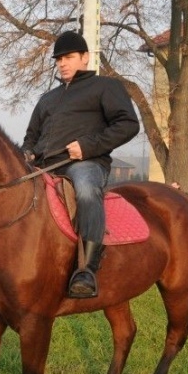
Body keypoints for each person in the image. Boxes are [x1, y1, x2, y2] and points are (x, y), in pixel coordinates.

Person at [21, 31, 140, 299]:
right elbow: (31, 135)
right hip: (44, 166)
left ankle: (86, 269)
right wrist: (28, 152)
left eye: (69, 57)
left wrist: (87, 146)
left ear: (85, 57)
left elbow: (128, 124)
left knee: (86, 189)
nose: (63, 63)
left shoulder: (105, 87)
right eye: (59, 59)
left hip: (84, 163)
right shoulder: (47, 98)